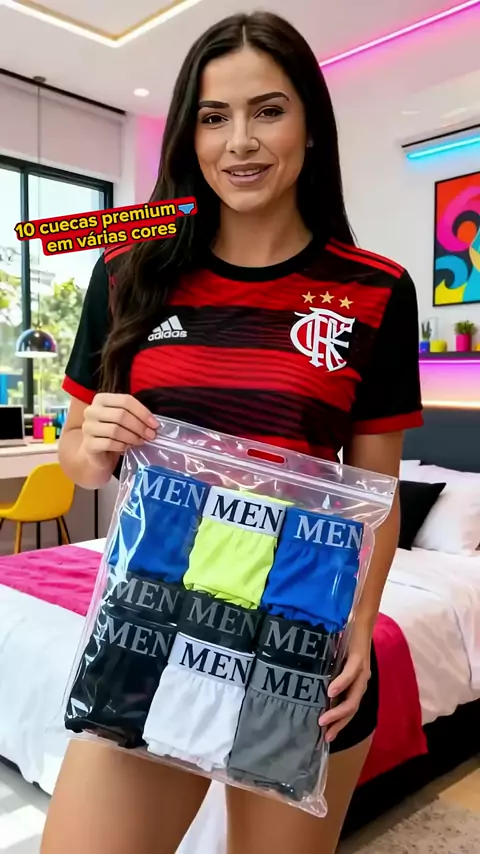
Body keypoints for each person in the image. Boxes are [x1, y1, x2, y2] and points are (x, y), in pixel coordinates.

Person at [41, 11, 422, 854]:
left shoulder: (376, 291)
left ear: (311, 127)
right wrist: (93, 442)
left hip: (298, 637)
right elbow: (79, 459)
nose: (240, 141)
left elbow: (376, 493)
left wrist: (361, 627)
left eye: (268, 111)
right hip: (150, 620)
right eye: (214, 117)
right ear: (190, 134)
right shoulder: (127, 270)